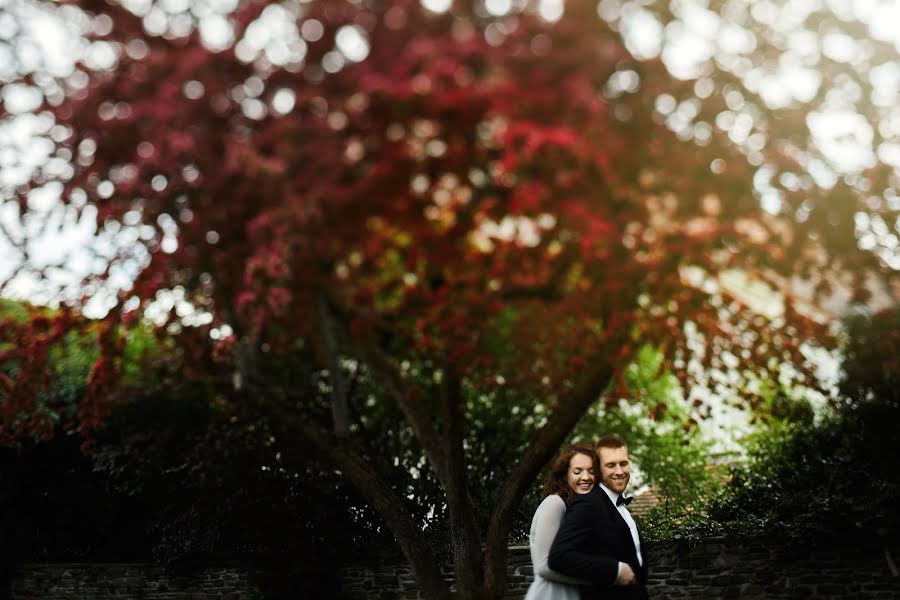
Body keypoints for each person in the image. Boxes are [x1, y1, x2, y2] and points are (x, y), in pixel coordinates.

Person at [547, 435, 648, 600]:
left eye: (623, 463)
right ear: (599, 469)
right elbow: (559, 557)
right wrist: (615, 570)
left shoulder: (622, 507)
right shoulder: (588, 503)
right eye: (610, 465)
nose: (619, 471)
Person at [524, 443, 598, 600]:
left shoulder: (579, 510)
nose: (586, 477)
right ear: (565, 475)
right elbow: (544, 566)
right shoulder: (555, 503)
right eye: (577, 471)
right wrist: (597, 579)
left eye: (592, 472)